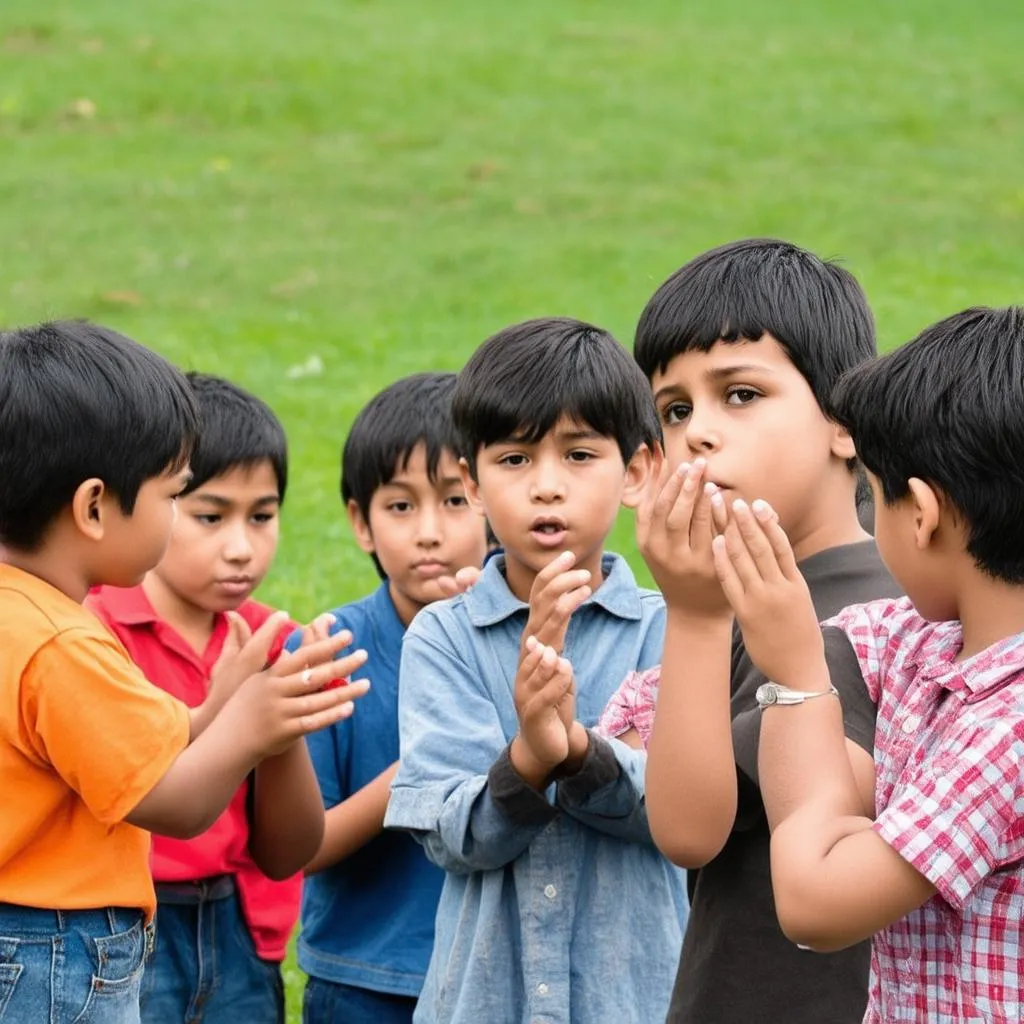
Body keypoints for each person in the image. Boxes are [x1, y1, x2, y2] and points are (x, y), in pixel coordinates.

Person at [0, 321, 367, 1024]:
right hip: (55, 949)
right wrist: (253, 728)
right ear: (95, 507)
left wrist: (215, 708)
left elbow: (117, 751)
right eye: (174, 497)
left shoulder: (21, 617)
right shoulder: (63, 644)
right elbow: (174, 804)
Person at [597, 239, 901, 1023]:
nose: (696, 432)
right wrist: (700, 612)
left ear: (844, 424)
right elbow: (689, 836)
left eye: (739, 395)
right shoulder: (729, 600)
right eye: (674, 409)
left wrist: (697, 616)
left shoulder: (887, 610)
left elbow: (696, 828)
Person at [719, 306, 1024, 1023]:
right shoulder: (925, 641)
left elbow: (817, 900)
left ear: (920, 513)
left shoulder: (1010, 730)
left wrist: (797, 681)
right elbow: (849, 631)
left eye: (873, 496)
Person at [384, 318, 689, 1024]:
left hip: (637, 1002)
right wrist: (527, 759)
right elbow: (452, 837)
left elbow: (680, 819)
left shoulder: (670, 628)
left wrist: (579, 753)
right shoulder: (443, 636)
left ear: (637, 470)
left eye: (580, 454)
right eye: (515, 460)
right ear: (472, 482)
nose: (547, 487)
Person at [89, 372, 303, 1024]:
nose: (241, 548)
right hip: (125, 922)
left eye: (262, 517)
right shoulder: (95, 632)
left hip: (237, 925)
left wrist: (284, 726)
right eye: (210, 516)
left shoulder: (273, 639)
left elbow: (290, 847)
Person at [294, 372, 490, 1024]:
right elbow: (304, 846)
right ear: (361, 522)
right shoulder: (329, 653)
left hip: (498, 975)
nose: (429, 532)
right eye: (401, 506)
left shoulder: (542, 636)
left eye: (456, 501)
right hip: (364, 982)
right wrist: (419, 771)